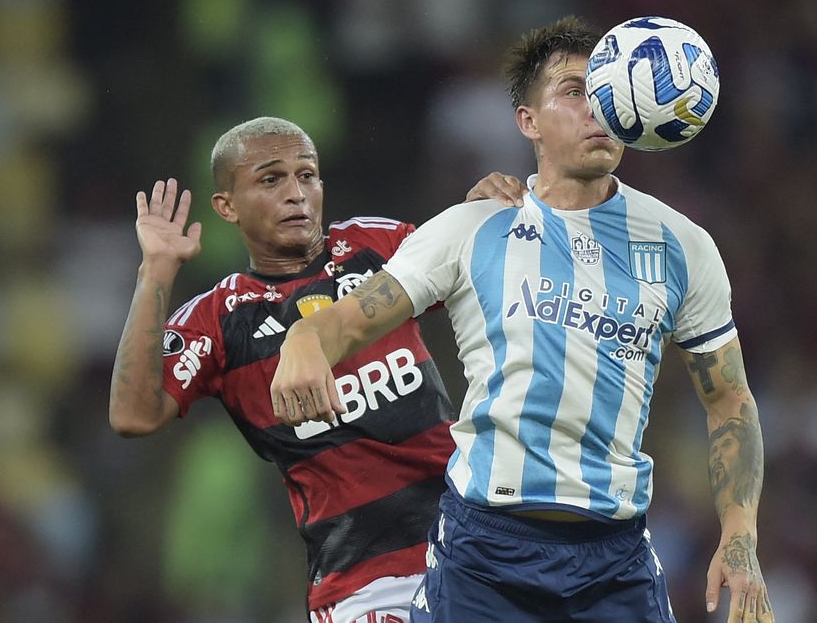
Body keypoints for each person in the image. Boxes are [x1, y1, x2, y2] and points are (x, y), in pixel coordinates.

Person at [271, 16, 774, 623]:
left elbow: (729, 400)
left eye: (610, 87)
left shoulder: (682, 246)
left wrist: (740, 534)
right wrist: (303, 335)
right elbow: (343, 324)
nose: (601, 107)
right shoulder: (472, 226)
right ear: (527, 121)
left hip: (613, 559)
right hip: (484, 553)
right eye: (574, 90)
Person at [108, 116, 526, 623]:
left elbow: (473, 262)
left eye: (307, 175)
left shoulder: (377, 246)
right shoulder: (217, 322)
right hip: (366, 585)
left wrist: (481, 214)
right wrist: (155, 270)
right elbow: (133, 414)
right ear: (227, 206)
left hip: (474, 545)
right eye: (271, 179)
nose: (296, 193)